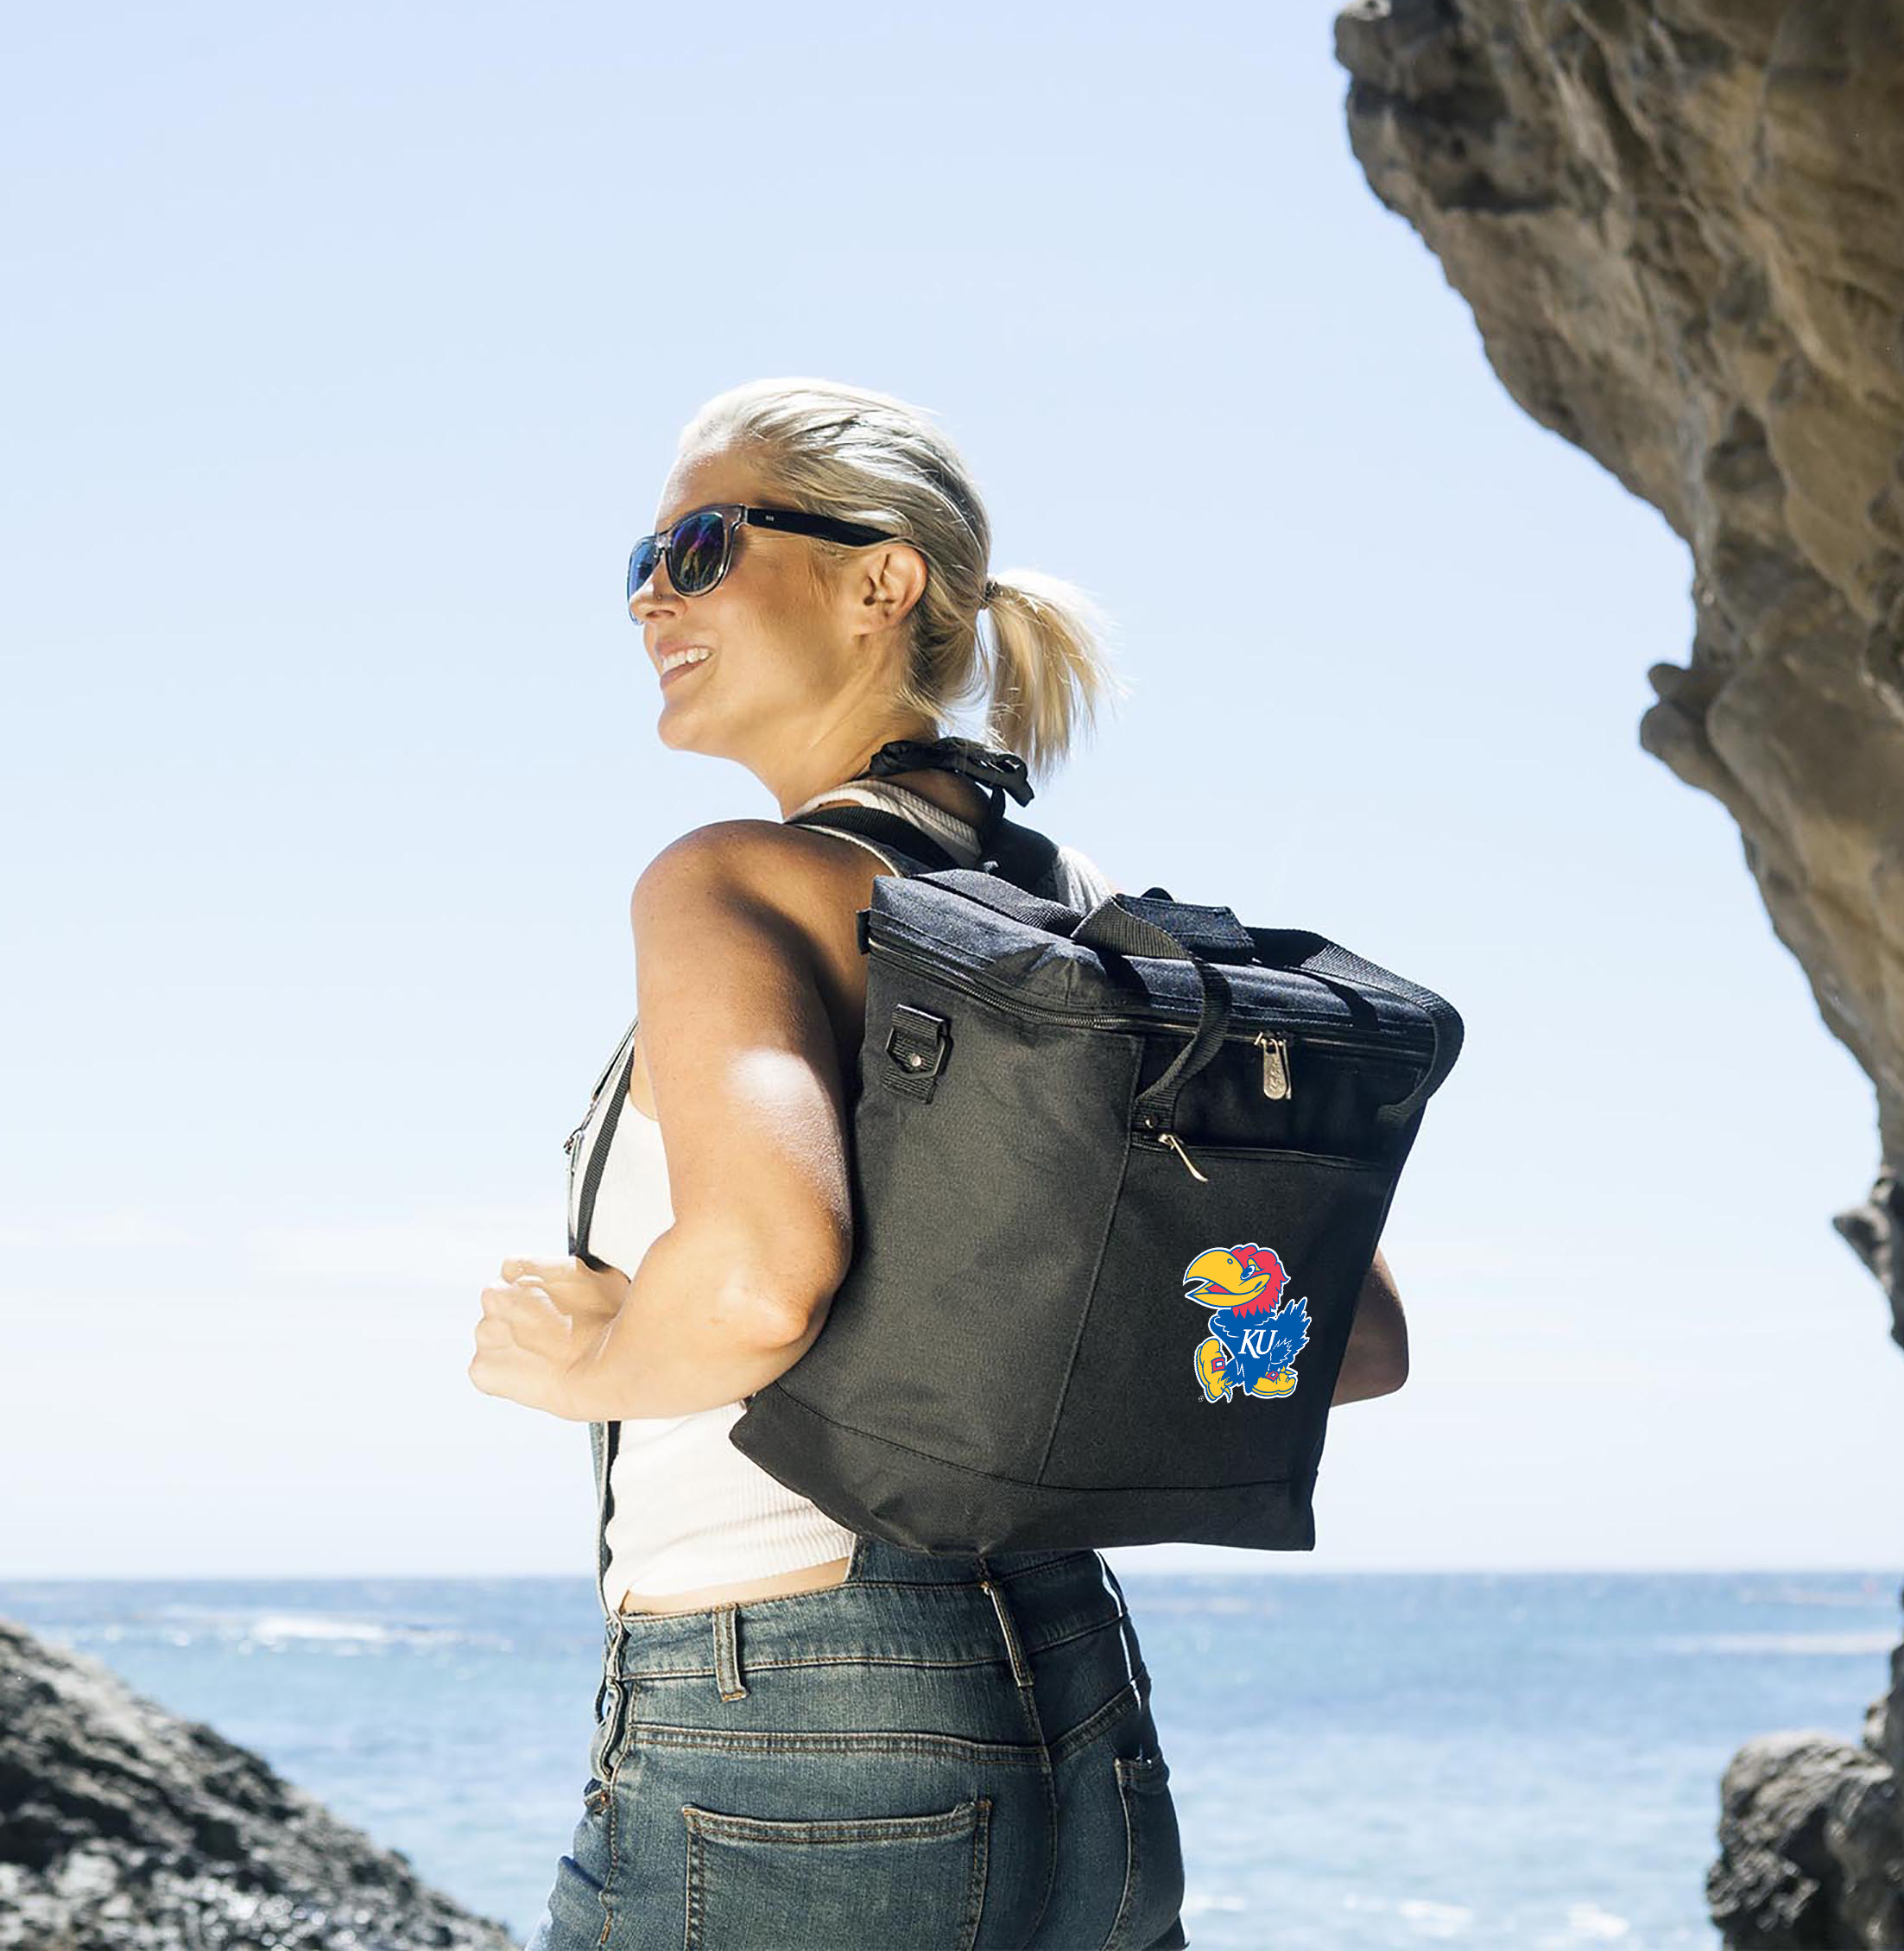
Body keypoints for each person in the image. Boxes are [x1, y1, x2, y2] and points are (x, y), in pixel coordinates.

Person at [471, 377, 1410, 1948]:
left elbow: (763, 1281)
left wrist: (590, 1360)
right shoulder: (1083, 910)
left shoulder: (736, 885)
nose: (650, 593)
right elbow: (1343, 1337)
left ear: (878, 579)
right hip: (1076, 1704)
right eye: (634, 561)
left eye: (698, 545)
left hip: (790, 1715)